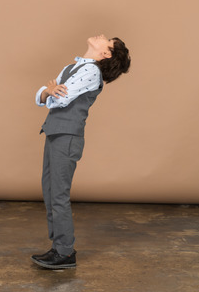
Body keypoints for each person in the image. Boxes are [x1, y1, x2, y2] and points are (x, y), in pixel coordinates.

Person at [31, 34, 131, 269]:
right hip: (55, 132)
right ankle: (58, 247)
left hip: (67, 136)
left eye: (107, 40)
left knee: (58, 195)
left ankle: (65, 253)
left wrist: (50, 92)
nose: (101, 36)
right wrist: (48, 92)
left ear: (106, 54)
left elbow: (58, 101)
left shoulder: (91, 72)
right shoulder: (72, 67)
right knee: (49, 191)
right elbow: (41, 96)